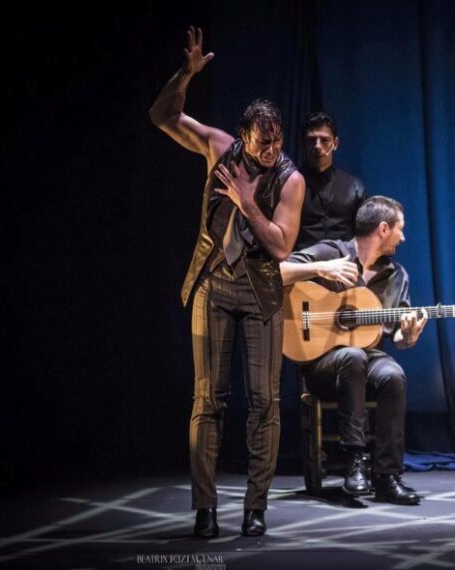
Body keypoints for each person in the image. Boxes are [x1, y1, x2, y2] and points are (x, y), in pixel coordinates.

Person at [149, 27, 305, 539]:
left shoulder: (290, 178)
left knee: (264, 402)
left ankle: (255, 507)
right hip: (213, 286)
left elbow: (281, 245)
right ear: (243, 135)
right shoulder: (219, 148)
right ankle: (205, 508)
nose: (271, 149)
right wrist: (187, 74)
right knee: (208, 399)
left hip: (262, 292)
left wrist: (245, 201)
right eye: (263, 141)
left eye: (278, 140)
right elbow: (162, 117)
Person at [280, 196, 425, 505]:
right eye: (400, 229)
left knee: (393, 375)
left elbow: (398, 338)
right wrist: (321, 268)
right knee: (351, 356)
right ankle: (354, 461)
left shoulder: (397, 276)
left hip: (368, 357)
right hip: (320, 362)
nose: (403, 237)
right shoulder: (332, 253)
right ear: (383, 229)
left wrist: (408, 336)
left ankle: (387, 476)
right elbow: (274, 272)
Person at [296, 111, 367, 250]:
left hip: (345, 266)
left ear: (335, 143)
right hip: (302, 266)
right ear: (303, 143)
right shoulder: (289, 185)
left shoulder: (355, 187)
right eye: (311, 140)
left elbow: (366, 236)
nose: (317, 146)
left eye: (324, 140)